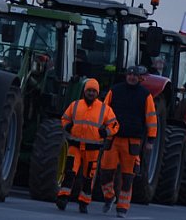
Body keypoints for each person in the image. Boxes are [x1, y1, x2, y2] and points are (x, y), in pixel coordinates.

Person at [100, 65, 158, 218]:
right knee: (105, 172)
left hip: (132, 142)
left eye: (135, 75)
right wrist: (100, 130)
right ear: (126, 76)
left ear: (139, 78)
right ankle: (109, 196)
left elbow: (151, 118)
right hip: (112, 138)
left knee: (128, 177)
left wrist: (151, 139)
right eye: (130, 75)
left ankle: (122, 207)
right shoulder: (115, 90)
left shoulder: (145, 95)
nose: (132, 77)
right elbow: (103, 111)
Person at [56, 78, 119, 214]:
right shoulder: (75, 105)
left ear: (97, 93)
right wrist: (68, 126)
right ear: (84, 91)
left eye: (93, 91)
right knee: (70, 172)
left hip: (92, 149)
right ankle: (62, 198)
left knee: (88, 177)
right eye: (89, 90)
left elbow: (115, 125)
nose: (91, 93)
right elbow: (64, 118)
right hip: (75, 146)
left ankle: (84, 203)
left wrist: (105, 132)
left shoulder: (104, 109)